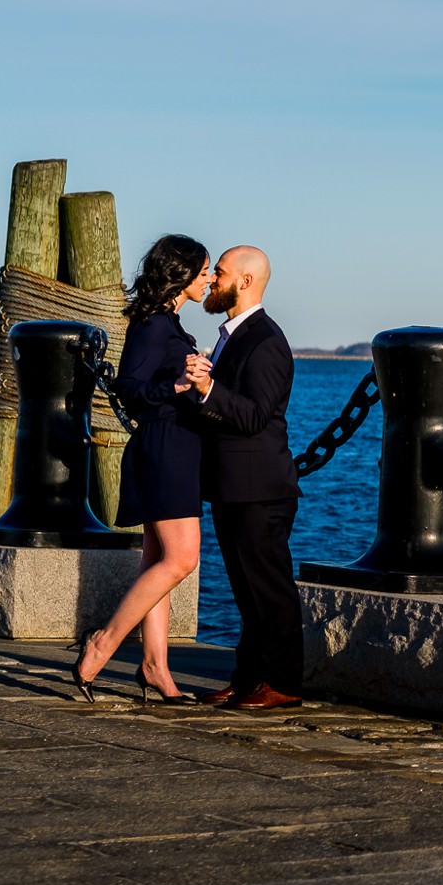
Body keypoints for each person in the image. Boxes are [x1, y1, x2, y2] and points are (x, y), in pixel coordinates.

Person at [70, 234, 212, 705]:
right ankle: (104, 642)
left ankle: (155, 668)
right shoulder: (154, 326)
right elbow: (130, 388)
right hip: (163, 449)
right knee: (181, 559)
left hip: (176, 448)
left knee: (158, 562)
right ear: (183, 274)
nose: (209, 278)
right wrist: (174, 385)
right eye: (204, 270)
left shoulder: (168, 324)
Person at [182, 245, 307, 711]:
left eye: (220, 272)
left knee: (269, 589)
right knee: (245, 589)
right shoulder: (232, 336)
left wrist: (207, 389)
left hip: (260, 490)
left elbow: (256, 416)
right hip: (234, 486)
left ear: (246, 282)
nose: (212, 279)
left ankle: (285, 684)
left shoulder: (266, 341)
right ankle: (249, 678)